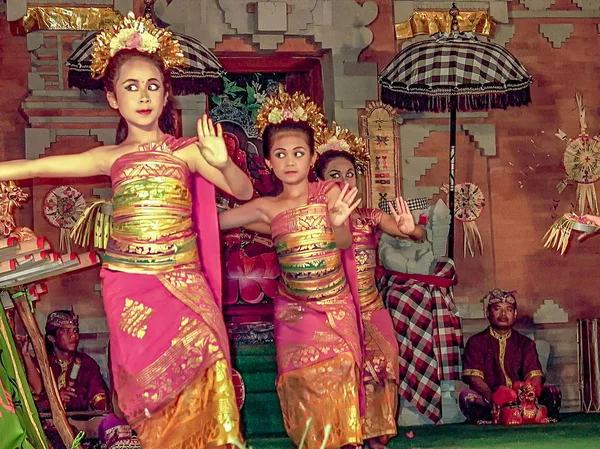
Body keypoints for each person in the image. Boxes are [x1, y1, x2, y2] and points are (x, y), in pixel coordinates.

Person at [0, 12, 252, 449]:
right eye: (130, 86)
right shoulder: (109, 157)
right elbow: (38, 166)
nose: (143, 96)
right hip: (131, 286)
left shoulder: (187, 152)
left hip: (184, 284)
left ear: (166, 94)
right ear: (113, 98)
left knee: (209, 364)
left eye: (153, 85)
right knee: (151, 393)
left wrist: (222, 159)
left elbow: (243, 191)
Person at [219, 88, 364, 449]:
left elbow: (344, 242)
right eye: (280, 154)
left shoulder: (330, 192)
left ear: (312, 157)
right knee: (301, 384)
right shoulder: (265, 207)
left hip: (334, 308)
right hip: (295, 312)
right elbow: (212, 221)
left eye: (298, 153)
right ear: (268, 161)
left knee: (342, 374)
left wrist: (338, 221)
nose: (290, 161)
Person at [314, 138, 423, 448]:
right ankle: (346, 436)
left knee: (385, 366)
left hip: (371, 306)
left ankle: (376, 436)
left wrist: (411, 228)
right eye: (335, 175)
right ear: (320, 182)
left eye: (350, 174)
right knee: (343, 373)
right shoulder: (314, 221)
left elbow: (414, 234)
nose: (344, 181)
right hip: (334, 311)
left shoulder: (369, 217)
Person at [460, 289, 561, 423]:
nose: (503, 314)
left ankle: (523, 415)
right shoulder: (476, 342)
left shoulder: (525, 343)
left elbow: (534, 375)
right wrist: (494, 398)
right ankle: (502, 417)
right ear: (488, 312)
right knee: (468, 398)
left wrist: (528, 394)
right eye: (497, 309)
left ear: (515, 314)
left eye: (508, 309)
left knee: (553, 392)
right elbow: (475, 379)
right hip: (491, 400)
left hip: (522, 400)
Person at [25, 310, 110, 449]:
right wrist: (53, 400)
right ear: (52, 338)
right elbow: (29, 404)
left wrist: (101, 403)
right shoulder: (39, 365)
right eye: (66, 331)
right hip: (46, 432)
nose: (74, 336)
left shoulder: (87, 364)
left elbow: (100, 402)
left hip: (82, 431)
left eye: (75, 330)